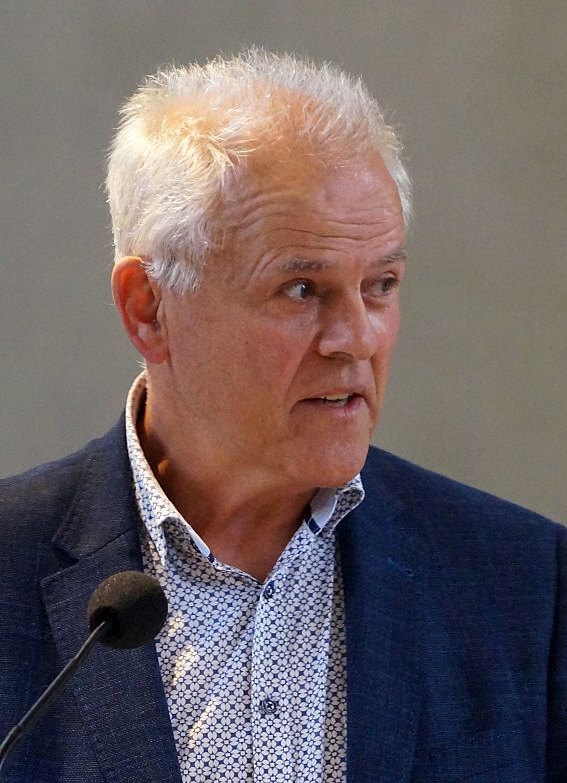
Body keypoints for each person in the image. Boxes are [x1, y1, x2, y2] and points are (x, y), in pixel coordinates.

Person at [0, 49, 565, 783]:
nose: (355, 338)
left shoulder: (528, 587)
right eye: (301, 289)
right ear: (149, 309)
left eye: (381, 284)